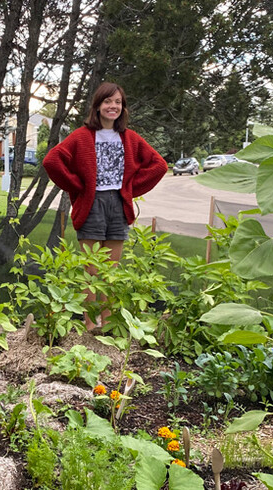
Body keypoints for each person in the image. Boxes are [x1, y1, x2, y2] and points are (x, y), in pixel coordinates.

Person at [42, 81, 167, 331]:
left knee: (111, 271)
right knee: (91, 271)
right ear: (97, 106)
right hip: (92, 204)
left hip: (118, 206)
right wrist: (78, 186)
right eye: (108, 101)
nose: (113, 106)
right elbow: (52, 161)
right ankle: (90, 324)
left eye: (118, 102)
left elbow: (159, 165)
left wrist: (129, 189)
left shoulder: (129, 138)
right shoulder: (82, 136)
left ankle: (108, 325)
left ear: (123, 107)